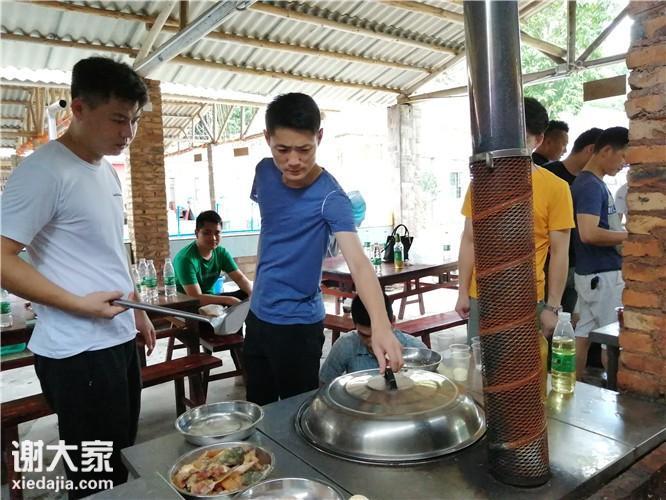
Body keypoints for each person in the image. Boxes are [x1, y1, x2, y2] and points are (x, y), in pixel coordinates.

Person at [0, 57, 154, 497]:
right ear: (80, 109)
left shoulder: (104, 169)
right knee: (94, 477)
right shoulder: (44, 171)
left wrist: (138, 309)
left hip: (117, 340)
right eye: (119, 119)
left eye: (134, 120)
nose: (128, 132)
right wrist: (78, 304)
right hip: (77, 352)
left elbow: (110, 251)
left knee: (119, 460)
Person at [246, 92, 403, 405]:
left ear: (319, 137)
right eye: (282, 149)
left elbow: (359, 264)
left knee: (297, 413)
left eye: (304, 149)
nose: (293, 160)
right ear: (267, 139)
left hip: (298, 326)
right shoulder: (263, 172)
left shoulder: (332, 198)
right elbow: (272, 229)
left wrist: (381, 325)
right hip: (258, 315)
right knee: (258, 409)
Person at [455, 97, 574, 340]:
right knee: (480, 361)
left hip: (526, 298)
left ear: (537, 140)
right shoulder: (480, 184)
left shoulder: (556, 188)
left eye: (520, 139)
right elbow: (469, 240)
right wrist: (463, 291)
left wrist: (553, 307)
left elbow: (560, 252)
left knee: (523, 361)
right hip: (482, 296)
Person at [571, 126, 629, 379]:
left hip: (592, 274)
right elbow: (588, 232)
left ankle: (573, 387)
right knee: (612, 341)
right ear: (606, 150)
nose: (624, 164)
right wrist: (631, 236)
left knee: (582, 335)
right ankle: (618, 394)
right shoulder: (589, 186)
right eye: (623, 156)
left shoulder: (592, 183)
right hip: (602, 275)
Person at [543, 127, 604, 313]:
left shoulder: (591, 182)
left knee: (567, 317)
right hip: (548, 263)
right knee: (545, 316)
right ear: (590, 150)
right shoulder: (549, 175)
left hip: (576, 262)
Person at [319, 293, 425, 385]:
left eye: (378, 334)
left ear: (392, 322)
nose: (372, 343)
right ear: (355, 326)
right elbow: (324, 384)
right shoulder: (346, 345)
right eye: (365, 335)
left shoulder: (415, 349)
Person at [173, 210, 253, 305]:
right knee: (233, 302)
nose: (213, 238)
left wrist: (253, 296)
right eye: (207, 233)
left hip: (210, 299)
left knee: (248, 293)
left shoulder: (221, 253)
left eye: (217, 233)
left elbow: (240, 278)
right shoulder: (185, 259)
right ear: (196, 233)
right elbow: (196, 298)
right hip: (189, 305)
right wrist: (229, 300)